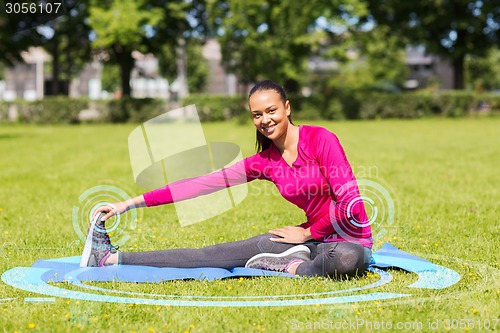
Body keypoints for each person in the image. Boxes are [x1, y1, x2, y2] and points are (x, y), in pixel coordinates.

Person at [82, 80, 373, 278]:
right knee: (216, 254)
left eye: (271, 110)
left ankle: (293, 267)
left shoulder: (321, 139)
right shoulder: (265, 162)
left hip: (348, 240)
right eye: (257, 114)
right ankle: (110, 259)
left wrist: (308, 233)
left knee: (348, 260)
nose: (265, 120)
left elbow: (350, 202)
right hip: (306, 242)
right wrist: (129, 204)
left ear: (287, 107)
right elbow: (198, 185)